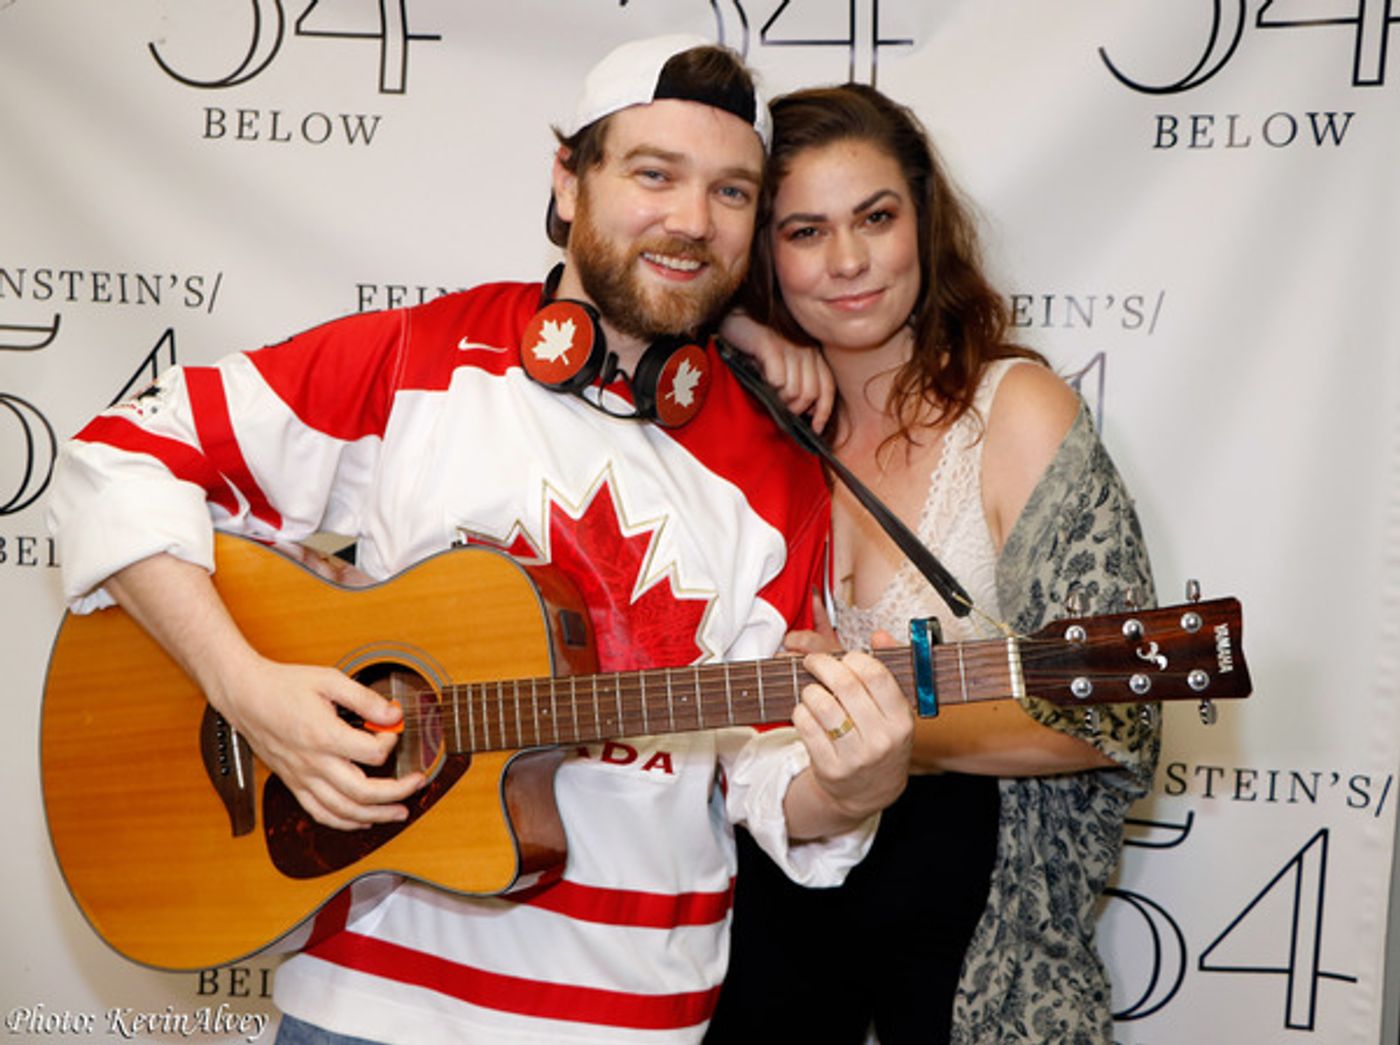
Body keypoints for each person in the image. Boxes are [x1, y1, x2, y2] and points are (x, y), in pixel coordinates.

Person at [45, 39, 914, 1045]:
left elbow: (766, 783)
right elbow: (118, 458)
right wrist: (247, 689)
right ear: (565, 179)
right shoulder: (420, 358)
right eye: (651, 174)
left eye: (729, 191)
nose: (689, 220)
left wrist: (852, 786)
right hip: (363, 1009)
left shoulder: (780, 469)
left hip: (630, 1019)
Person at [703, 83, 1160, 1045]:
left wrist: (883, 727)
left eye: (877, 217)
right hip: (768, 938)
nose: (850, 262)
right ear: (760, 253)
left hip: (973, 947)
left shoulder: (1015, 411)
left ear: (925, 219)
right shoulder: (735, 427)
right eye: (804, 232)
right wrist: (731, 334)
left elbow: (1117, 704)